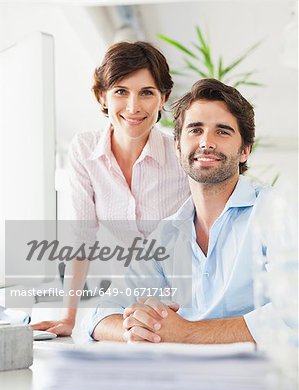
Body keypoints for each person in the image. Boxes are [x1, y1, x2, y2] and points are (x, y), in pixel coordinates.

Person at [89, 78, 272, 344]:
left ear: (244, 150)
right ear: (177, 146)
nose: (206, 142)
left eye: (222, 131)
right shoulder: (163, 236)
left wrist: (187, 333)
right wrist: (135, 329)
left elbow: (292, 314)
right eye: (195, 130)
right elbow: (100, 312)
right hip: (178, 377)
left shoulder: (274, 213)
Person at [32, 41, 190, 337]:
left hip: (181, 300)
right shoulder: (84, 149)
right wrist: (69, 316)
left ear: (163, 98)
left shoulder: (181, 154)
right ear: (102, 96)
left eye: (147, 92)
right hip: (118, 298)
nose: (133, 106)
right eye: (120, 91)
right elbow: (82, 238)